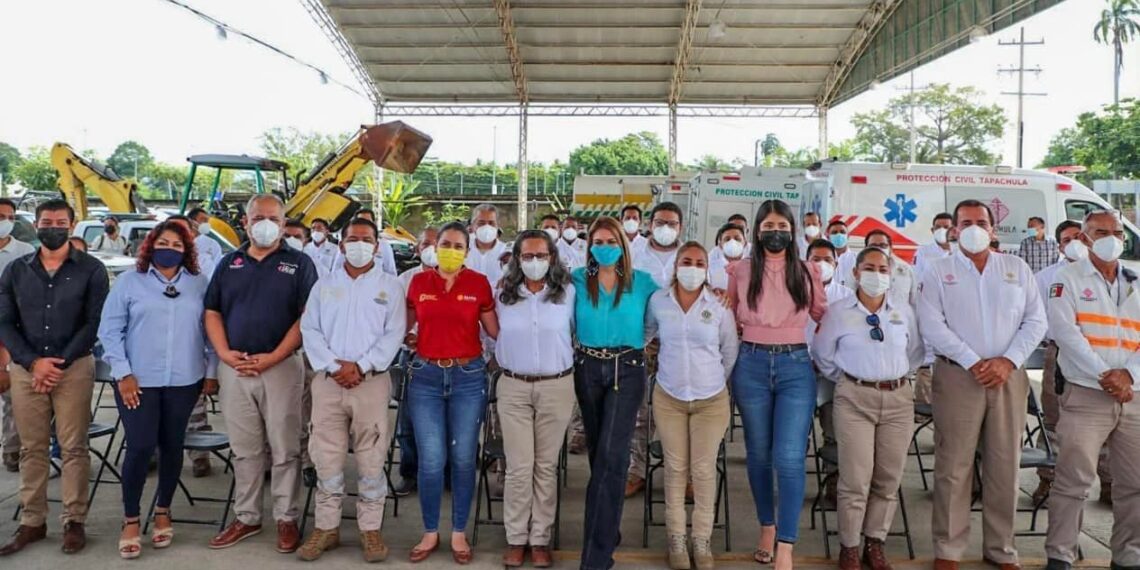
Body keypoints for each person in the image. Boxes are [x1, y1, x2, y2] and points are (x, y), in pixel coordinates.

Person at [917, 199, 1047, 570]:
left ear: (993, 230)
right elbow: (931, 324)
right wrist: (973, 361)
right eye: (966, 222)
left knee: (1005, 465)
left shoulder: (1016, 268)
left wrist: (1008, 361)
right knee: (954, 467)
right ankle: (948, 549)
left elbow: (1036, 321)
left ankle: (1001, 549)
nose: (973, 227)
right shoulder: (937, 270)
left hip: (1009, 377)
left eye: (981, 221)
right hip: (958, 376)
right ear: (954, 230)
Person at [204, 194, 319, 553]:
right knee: (245, 448)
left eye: (273, 218)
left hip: (281, 367)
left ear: (284, 225)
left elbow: (306, 317)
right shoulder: (229, 263)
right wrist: (224, 354)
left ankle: (286, 517)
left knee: (285, 447)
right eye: (258, 217)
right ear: (246, 222)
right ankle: (248, 516)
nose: (265, 223)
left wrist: (273, 357)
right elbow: (212, 311)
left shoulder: (300, 264)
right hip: (235, 369)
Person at [96, 221, 215, 559]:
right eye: (163, 242)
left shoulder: (198, 284)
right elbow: (110, 331)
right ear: (150, 245)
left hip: (184, 380)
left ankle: (163, 509)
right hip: (137, 381)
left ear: (187, 250)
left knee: (172, 445)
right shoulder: (130, 282)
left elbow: (209, 333)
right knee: (140, 446)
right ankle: (131, 518)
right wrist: (123, 373)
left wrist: (211, 372)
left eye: (178, 245)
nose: (170, 249)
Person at [0, 199, 109, 556]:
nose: (53, 227)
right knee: (32, 448)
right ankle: (33, 521)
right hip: (26, 370)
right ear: (35, 224)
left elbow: (93, 322)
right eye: (46, 221)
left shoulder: (92, 269)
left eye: (61, 222)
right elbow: (4, 322)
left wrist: (57, 364)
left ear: (72, 225)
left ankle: (73, 520)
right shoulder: (16, 270)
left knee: (73, 447)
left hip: (73, 368)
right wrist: (33, 363)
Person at [297, 218, 406, 562]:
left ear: (377, 246)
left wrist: (360, 366)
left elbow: (394, 333)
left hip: (371, 383)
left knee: (372, 458)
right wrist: (334, 366)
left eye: (367, 239)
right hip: (328, 384)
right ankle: (326, 528)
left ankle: (370, 529)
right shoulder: (323, 286)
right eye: (353, 239)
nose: (359, 245)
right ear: (341, 245)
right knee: (326, 457)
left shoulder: (391, 286)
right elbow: (310, 329)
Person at [728, 199, 826, 569]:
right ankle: (766, 526)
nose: (776, 233)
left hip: (795, 365)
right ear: (757, 230)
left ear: (792, 231)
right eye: (769, 226)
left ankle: (786, 541)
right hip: (750, 363)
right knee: (758, 454)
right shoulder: (740, 270)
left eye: (782, 227)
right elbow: (729, 310)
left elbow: (822, 313)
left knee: (788, 457)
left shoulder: (807, 270)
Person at [812, 247, 924, 570]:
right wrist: (851, 378)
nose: (877, 275)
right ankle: (849, 546)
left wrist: (893, 375)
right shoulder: (838, 312)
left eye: (883, 269)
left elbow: (915, 351)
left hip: (898, 400)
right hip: (854, 399)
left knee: (888, 477)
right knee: (856, 479)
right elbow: (823, 354)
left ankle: (874, 542)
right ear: (856, 273)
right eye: (870, 268)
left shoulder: (903, 310)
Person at [1043, 210, 1140, 570]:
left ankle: (1129, 555)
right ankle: (1061, 555)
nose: (1111, 237)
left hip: (1134, 396)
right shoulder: (1066, 279)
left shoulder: (1136, 278)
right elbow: (1067, 335)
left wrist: (1128, 375)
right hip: (1087, 395)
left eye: (1117, 231)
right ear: (1084, 238)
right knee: (1073, 481)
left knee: (1134, 484)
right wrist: (1106, 375)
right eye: (1101, 231)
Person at [404, 221, 499, 564]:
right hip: (426, 377)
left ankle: (459, 531)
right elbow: (404, 326)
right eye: (446, 243)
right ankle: (430, 531)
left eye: (459, 246)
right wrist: (409, 338)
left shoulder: (479, 284)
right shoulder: (418, 282)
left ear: (467, 252)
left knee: (462, 458)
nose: (451, 250)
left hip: (468, 377)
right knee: (431, 460)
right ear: (434, 246)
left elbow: (494, 331)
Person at [571, 215, 658, 570]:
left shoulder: (642, 283)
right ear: (589, 246)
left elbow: (654, 321)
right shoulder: (579, 280)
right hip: (588, 368)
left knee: (612, 454)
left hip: (628, 368)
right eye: (598, 242)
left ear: (623, 244)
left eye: (611, 242)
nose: (604, 248)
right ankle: (608, 528)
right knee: (599, 454)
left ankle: (596, 555)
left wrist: (637, 346)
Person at [646, 242, 738, 570]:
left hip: (711, 400)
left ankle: (701, 538)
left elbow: (730, 350)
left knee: (701, 470)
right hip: (669, 396)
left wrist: (710, 379)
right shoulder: (659, 301)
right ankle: (676, 538)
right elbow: (646, 335)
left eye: (699, 262)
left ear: (707, 268)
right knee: (675, 468)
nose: (693, 267)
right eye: (686, 261)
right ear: (676, 265)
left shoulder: (719, 303)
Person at [494, 230, 576, 569]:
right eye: (527, 256)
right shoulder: (501, 295)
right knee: (518, 467)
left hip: (556, 386)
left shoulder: (568, 293)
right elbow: (489, 334)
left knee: (545, 467)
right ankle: (516, 538)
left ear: (553, 257)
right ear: (516, 259)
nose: (534, 262)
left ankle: (540, 538)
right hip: (513, 386)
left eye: (541, 255)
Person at [1031, 221, 1111, 504]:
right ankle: (1047, 480)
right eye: (1067, 240)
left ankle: (1109, 482)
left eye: (1078, 237)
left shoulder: (1112, 275)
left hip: (1105, 356)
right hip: (1059, 356)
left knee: (1106, 422)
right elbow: (1037, 318)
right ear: (1060, 245)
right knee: (1054, 419)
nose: (1074, 243)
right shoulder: (1047, 277)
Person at [806, 238, 854, 508]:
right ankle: (793, 481)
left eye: (827, 260)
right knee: (795, 433)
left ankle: (833, 483)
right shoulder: (794, 290)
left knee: (834, 430)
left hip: (834, 374)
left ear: (836, 265)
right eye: (815, 259)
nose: (821, 265)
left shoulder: (846, 297)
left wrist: (826, 362)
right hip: (800, 371)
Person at [392, 227, 439, 499]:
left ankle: (443, 473)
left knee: (444, 420)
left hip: (444, 357)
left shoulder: (455, 279)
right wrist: (406, 337)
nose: (431, 249)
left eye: (437, 243)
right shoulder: (404, 280)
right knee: (408, 418)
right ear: (417, 248)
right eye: (426, 244)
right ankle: (409, 472)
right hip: (411, 355)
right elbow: (394, 320)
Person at [0, 198, 35, 473]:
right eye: (1, 215)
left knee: (12, 392)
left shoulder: (24, 251)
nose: (6, 221)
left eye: (10, 216)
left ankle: (12, 448)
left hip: (13, 329)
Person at [863, 230, 919, 308]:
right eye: (873, 246)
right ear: (866, 249)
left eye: (883, 245)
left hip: (900, 318)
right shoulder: (859, 272)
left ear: (890, 248)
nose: (879, 249)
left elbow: (915, 301)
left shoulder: (906, 270)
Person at [465, 203, 509, 288]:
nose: (486, 227)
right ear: (472, 225)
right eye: (481, 223)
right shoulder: (463, 250)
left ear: (498, 226)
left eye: (491, 223)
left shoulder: (506, 253)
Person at [708, 222, 747, 292]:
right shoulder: (711, 268)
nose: (732, 242)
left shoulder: (752, 267)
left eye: (737, 239)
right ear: (720, 245)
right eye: (727, 239)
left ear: (745, 243)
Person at [187, 207, 224, 275]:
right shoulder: (180, 241)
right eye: (203, 220)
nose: (207, 224)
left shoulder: (212, 244)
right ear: (191, 221)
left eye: (207, 221)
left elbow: (217, 268)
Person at [829, 220, 857, 289]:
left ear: (848, 236)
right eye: (834, 232)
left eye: (842, 232)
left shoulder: (858, 258)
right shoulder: (825, 260)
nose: (839, 235)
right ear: (828, 237)